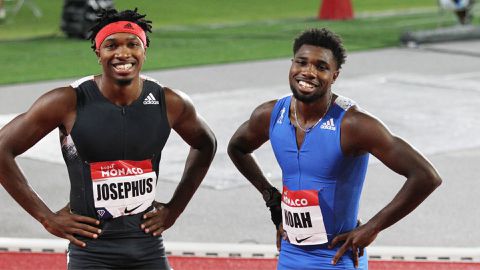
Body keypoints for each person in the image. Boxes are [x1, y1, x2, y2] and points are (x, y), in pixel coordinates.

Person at [0, 8, 216, 270]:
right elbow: (3, 148)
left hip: (146, 245)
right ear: (98, 52)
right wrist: (46, 218)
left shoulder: (169, 102)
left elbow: (206, 144)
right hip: (90, 249)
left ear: (144, 50)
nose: (123, 54)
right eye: (111, 45)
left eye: (132, 44)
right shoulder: (67, 102)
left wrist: (175, 208)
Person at [227, 28, 442, 270]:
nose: (308, 72)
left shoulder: (354, 125)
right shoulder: (270, 115)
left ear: (334, 75)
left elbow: (426, 176)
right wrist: (271, 198)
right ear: (292, 64)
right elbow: (237, 148)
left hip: (337, 258)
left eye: (321, 66)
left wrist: (373, 226)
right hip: (290, 254)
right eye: (302, 62)